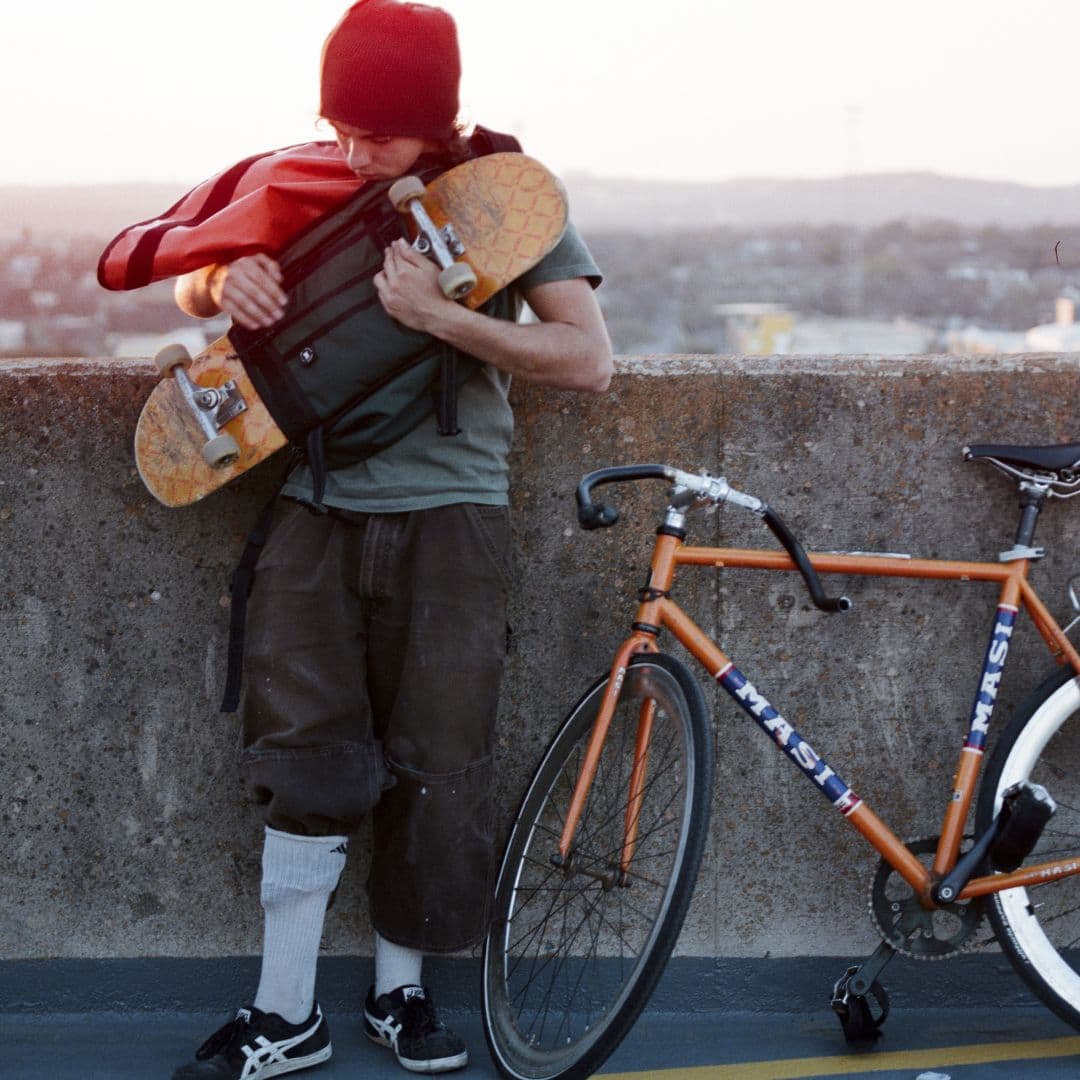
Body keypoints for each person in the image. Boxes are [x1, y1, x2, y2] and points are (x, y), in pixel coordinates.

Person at [169, 2, 613, 1078]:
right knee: (304, 756)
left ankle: (398, 996)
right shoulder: (308, 183)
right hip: (313, 507)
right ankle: (284, 1013)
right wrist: (224, 278)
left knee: (439, 762)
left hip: (452, 514)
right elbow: (188, 278)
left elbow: (586, 358)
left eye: (378, 135)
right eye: (338, 127)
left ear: (435, 124)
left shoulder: (506, 201)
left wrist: (442, 318)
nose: (354, 153)